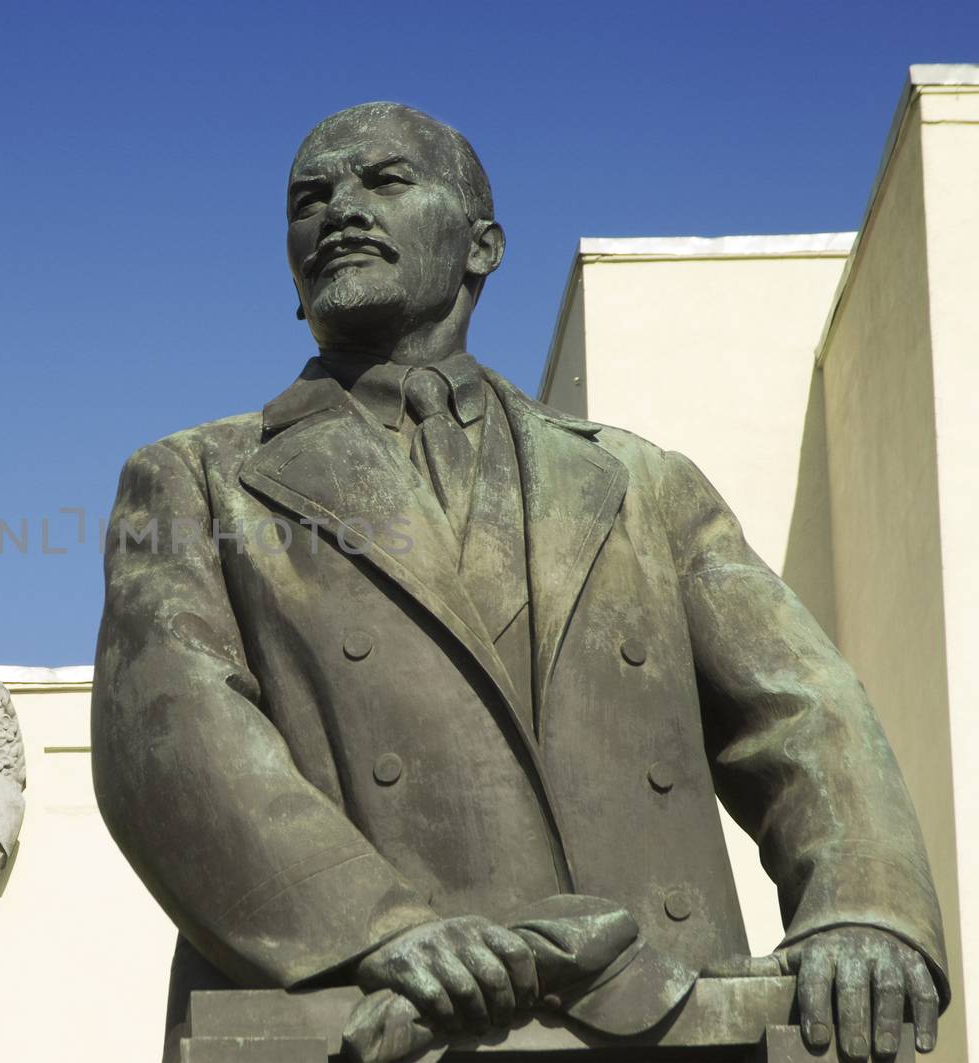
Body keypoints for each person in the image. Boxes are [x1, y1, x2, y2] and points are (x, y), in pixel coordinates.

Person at [90, 102, 945, 1063]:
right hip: (366, 1017)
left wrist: (864, 908)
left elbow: (803, 705)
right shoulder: (197, 476)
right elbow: (169, 730)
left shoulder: (639, 480)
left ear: (481, 246)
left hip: (670, 1016)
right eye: (310, 196)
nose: (340, 210)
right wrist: (377, 928)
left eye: (384, 180)